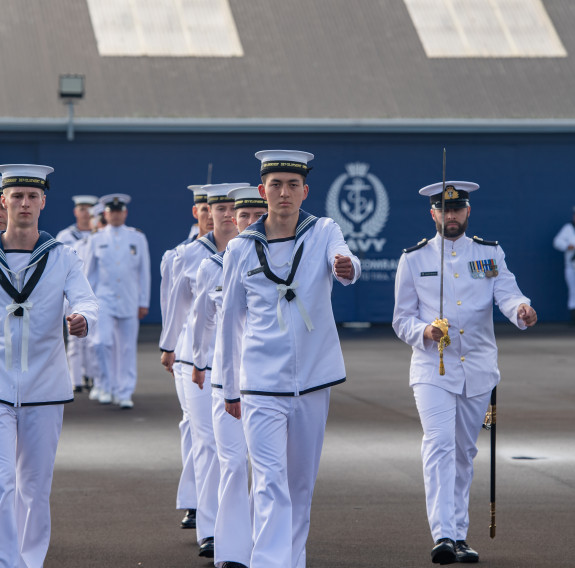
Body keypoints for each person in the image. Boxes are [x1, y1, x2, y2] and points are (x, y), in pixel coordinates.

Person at [220, 150, 360, 568]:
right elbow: (229, 322)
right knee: (269, 482)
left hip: (313, 380)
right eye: (276, 185)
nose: (284, 192)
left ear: (305, 191)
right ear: (263, 191)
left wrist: (347, 267)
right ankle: (268, 562)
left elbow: (347, 261)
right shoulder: (242, 248)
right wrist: (229, 387)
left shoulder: (324, 230)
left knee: (300, 486)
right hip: (261, 382)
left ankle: (291, 561)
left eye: (293, 185)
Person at [392, 180, 537, 565]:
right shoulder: (414, 259)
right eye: (444, 209)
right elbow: (401, 319)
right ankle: (442, 534)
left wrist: (521, 309)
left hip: (477, 367)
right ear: (433, 213)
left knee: (463, 452)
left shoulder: (488, 254)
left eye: (457, 209)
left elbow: (507, 293)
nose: (451, 215)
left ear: (467, 212)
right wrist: (423, 331)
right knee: (438, 445)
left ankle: (458, 535)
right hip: (431, 367)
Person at [0, 164, 98, 568]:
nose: (24, 202)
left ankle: (30, 558)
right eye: (17, 195)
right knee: (2, 482)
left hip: (44, 383)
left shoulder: (62, 256)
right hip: (0, 382)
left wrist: (83, 319)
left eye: (32, 196)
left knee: (35, 485)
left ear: (43, 202)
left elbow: (87, 299)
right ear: (2, 201)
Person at [160, 182, 246, 558]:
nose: (226, 214)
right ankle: (210, 529)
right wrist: (169, 348)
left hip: (240, 363)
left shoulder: (249, 251)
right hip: (196, 362)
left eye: (233, 207)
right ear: (206, 212)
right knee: (208, 442)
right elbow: (177, 305)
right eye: (218, 207)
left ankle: (239, 524)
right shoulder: (188, 255)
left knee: (236, 451)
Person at [191, 186, 268, 568]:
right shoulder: (211, 266)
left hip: (268, 384)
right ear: (232, 221)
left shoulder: (280, 264)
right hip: (226, 383)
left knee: (268, 470)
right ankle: (232, 551)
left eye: (258, 216)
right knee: (234, 464)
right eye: (244, 217)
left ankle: (262, 545)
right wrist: (198, 365)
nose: (251, 223)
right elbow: (204, 321)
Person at [159, 185, 213, 531]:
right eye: (207, 208)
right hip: (188, 353)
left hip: (227, 355)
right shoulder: (179, 254)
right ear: (197, 212)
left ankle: (208, 503)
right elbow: (172, 305)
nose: (214, 214)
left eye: (221, 207)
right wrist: (170, 346)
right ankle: (195, 502)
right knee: (197, 428)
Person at [84, 194, 151, 408]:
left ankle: (124, 392)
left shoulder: (137, 238)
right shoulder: (96, 239)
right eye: (111, 212)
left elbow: (144, 272)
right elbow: (89, 274)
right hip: (103, 298)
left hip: (129, 299)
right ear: (105, 214)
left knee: (127, 348)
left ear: (125, 213)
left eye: (118, 211)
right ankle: (105, 385)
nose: (115, 215)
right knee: (101, 342)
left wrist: (144, 301)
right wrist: (88, 301)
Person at [56, 195, 99, 393]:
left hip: (95, 293)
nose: (85, 213)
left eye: (89, 210)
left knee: (92, 341)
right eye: (81, 209)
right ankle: (76, 379)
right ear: (75, 211)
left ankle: (91, 374)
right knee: (73, 340)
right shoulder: (65, 236)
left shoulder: (99, 236)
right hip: (69, 295)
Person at [552, 206, 575, 323]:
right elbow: (557, 242)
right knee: (573, 291)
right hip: (571, 266)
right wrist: (568, 246)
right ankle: (573, 316)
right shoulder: (568, 228)